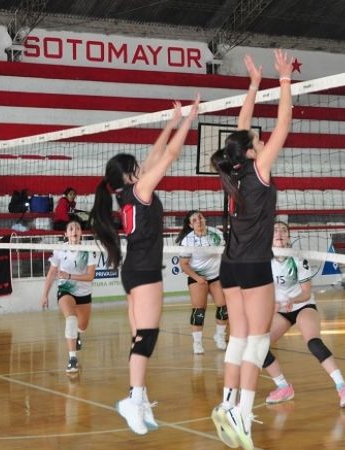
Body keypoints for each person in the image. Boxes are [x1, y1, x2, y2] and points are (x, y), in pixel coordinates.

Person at [89, 96, 199, 435]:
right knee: (147, 336)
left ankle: (140, 396)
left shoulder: (127, 194)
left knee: (140, 336)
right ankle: (133, 400)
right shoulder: (140, 190)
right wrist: (190, 119)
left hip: (133, 271)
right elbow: (168, 155)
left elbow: (155, 154)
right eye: (136, 167)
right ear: (129, 174)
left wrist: (172, 121)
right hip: (144, 271)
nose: (143, 167)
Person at [209, 49, 293, 450]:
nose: (261, 141)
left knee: (239, 338)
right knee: (257, 341)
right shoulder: (258, 170)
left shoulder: (234, 171)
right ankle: (242, 413)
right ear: (250, 152)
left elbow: (242, 129)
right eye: (257, 142)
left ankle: (227, 404)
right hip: (254, 264)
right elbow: (284, 124)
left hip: (230, 266)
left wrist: (255, 85)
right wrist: (284, 80)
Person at [261, 221, 345, 407]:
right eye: (275, 230)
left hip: (302, 305)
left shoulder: (297, 259)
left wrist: (292, 300)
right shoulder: (263, 260)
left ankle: (342, 386)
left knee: (313, 342)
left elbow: (305, 292)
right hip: (281, 311)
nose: (279, 233)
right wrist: (271, 303)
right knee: (259, 346)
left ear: (288, 237)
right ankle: (283, 387)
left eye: (283, 230)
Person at [40, 220, 97, 373]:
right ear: (66, 234)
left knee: (83, 326)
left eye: (77, 228)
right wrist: (44, 294)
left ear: (81, 233)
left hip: (84, 292)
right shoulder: (60, 249)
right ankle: (72, 359)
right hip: (65, 289)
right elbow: (52, 273)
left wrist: (70, 275)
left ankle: (77, 334)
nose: (74, 231)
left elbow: (90, 276)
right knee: (71, 319)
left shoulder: (88, 251)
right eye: (71, 228)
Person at [176, 210, 228, 354]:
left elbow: (225, 253)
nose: (198, 221)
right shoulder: (187, 241)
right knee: (199, 310)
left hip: (216, 275)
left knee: (224, 308)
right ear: (190, 225)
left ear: (205, 219)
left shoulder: (216, 233)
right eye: (194, 220)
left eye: (200, 218)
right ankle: (197, 343)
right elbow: (184, 265)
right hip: (197, 275)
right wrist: (198, 278)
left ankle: (220, 336)